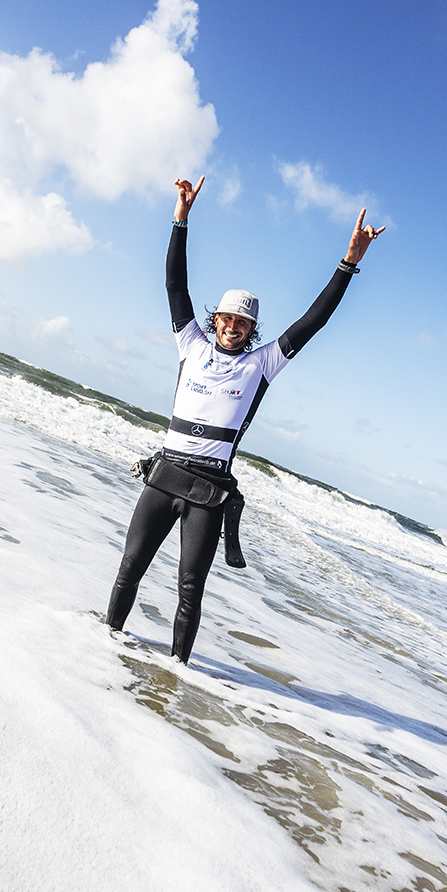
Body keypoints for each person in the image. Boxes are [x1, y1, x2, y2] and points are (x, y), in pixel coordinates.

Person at [104, 175, 386, 663]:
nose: (233, 328)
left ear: (252, 331)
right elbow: (174, 283)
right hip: (165, 475)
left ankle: (178, 676)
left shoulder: (263, 364)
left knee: (190, 591)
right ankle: (100, 645)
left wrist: (349, 265)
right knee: (129, 567)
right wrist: (181, 219)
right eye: (227, 319)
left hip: (208, 493)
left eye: (243, 324)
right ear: (216, 319)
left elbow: (312, 320)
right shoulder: (190, 344)